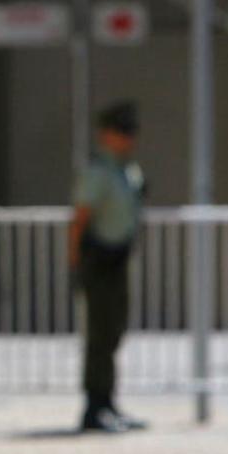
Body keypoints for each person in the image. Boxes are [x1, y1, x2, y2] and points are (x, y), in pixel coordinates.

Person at [69, 101, 149, 433]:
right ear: (106, 134)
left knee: (114, 331)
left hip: (119, 259)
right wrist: (75, 264)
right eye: (121, 131)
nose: (128, 138)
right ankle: (94, 407)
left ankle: (108, 402)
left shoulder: (127, 170)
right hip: (98, 261)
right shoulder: (98, 171)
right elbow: (79, 221)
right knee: (99, 336)